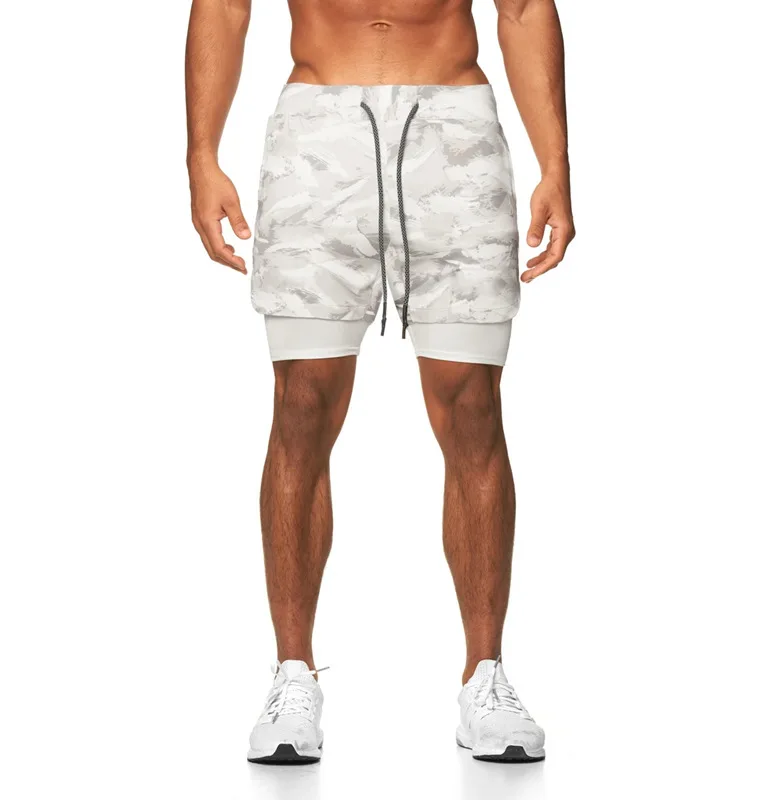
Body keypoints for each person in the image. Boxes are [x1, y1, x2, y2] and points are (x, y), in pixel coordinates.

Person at [185, 0, 574, 765]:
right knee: (301, 403)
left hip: (454, 127)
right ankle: (293, 675)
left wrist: (555, 163)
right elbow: (224, 4)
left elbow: (524, 8)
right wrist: (201, 154)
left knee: (472, 407)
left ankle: (485, 677)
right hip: (318, 131)